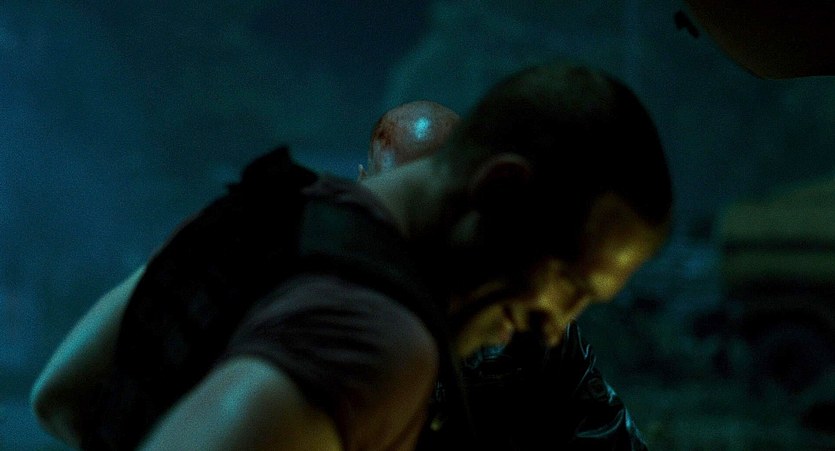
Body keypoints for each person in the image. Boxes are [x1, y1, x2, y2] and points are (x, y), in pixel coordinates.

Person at [31, 59, 672, 450]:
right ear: (500, 189)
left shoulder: (265, 212)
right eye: (570, 283)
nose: (556, 325)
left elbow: (63, 394)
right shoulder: (377, 340)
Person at [363, 101, 653, 449]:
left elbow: (601, 429)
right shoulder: (336, 304)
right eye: (405, 197)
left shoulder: (519, 307)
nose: (425, 224)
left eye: (442, 200)